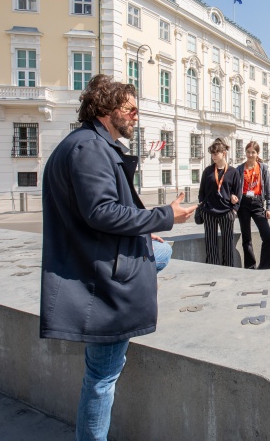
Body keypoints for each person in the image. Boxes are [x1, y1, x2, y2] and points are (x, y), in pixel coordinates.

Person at [40, 75, 197, 440]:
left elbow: (100, 213)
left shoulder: (86, 143)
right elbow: (102, 212)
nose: (136, 117)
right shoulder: (90, 149)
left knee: (159, 251)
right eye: (131, 110)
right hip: (101, 282)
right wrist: (164, 216)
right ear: (108, 110)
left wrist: (143, 229)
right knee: (101, 378)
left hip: (97, 265)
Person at [198, 138, 240, 267]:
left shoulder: (233, 172)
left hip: (226, 212)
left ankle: (229, 268)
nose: (213, 156)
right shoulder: (208, 171)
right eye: (212, 153)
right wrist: (203, 206)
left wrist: (234, 209)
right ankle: (212, 268)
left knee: (228, 243)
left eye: (216, 153)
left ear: (224, 153)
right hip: (209, 212)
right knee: (211, 243)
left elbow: (238, 193)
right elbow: (201, 192)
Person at [235, 141, 270, 269]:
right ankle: (250, 266)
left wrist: (269, 207)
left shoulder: (263, 168)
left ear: (257, 154)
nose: (250, 155)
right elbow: (234, 188)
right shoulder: (239, 169)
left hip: (257, 203)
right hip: (243, 204)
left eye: (253, 152)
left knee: (268, 236)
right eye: (248, 152)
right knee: (246, 239)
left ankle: (265, 265)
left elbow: (268, 188)